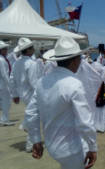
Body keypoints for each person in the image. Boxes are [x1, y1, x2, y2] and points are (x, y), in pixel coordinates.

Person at [25, 36, 98, 169]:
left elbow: (31, 113)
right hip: (71, 149)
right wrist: (93, 147)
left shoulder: (43, 81)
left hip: (51, 145)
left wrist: (36, 139)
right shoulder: (74, 84)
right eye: (80, 58)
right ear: (75, 59)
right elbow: (85, 122)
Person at [10, 37, 44, 152]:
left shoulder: (17, 63)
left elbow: (12, 79)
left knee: (30, 116)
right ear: (28, 50)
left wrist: (15, 94)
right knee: (33, 119)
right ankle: (30, 145)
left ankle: (25, 126)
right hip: (31, 94)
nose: (34, 50)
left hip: (22, 93)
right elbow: (34, 83)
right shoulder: (31, 63)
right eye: (32, 48)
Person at [0, 41, 14, 126]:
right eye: (5, 49)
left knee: (5, 101)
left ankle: (4, 118)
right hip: (2, 84)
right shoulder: (1, 60)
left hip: (1, 84)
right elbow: (4, 74)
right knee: (6, 101)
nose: (7, 50)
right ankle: (4, 119)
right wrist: (10, 85)